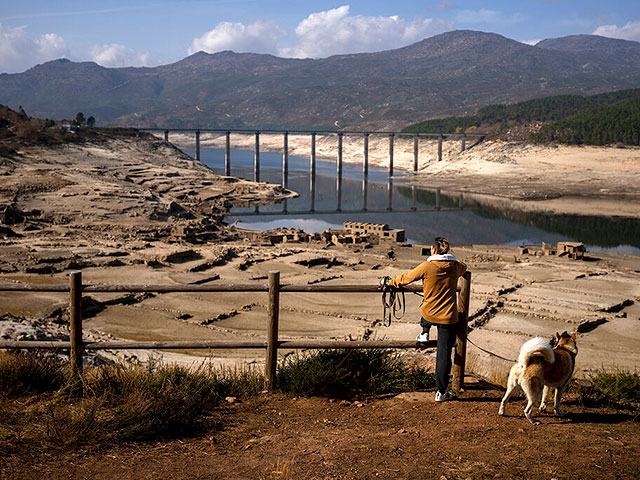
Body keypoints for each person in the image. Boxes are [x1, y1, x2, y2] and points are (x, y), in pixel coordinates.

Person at [387, 237, 466, 402]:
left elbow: (407, 278)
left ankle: (424, 332)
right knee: (444, 355)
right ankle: (441, 392)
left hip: (429, 314)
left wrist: (390, 282)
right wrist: (453, 260)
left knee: (426, 307)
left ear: (434, 250)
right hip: (448, 318)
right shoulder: (455, 267)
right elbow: (464, 267)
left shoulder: (427, 266)